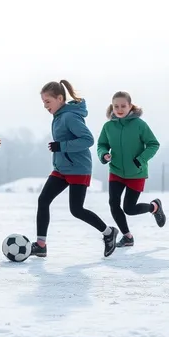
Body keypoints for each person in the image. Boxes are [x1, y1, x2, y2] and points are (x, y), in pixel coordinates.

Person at [32, 80, 119, 258]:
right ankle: (41, 245)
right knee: (43, 200)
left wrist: (61, 146)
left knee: (76, 209)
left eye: (47, 102)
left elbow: (88, 140)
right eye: (43, 103)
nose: (45, 106)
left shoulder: (70, 117)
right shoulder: (59, 116)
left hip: (79, 168)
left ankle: (109, 232)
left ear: (60, 98)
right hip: (62, 168)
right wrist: (60, 150)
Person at [96, 91, 166, 248]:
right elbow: (102, 144)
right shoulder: (108, 126)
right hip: (116, 171)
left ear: (130, 106)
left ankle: (154, 207)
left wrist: (140, 160)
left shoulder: (140, 125)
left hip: (136, 172)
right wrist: (104, 154)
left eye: (123, 106)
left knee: (129, 208)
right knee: (113, 203)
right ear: (112, 107)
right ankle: (127, 236)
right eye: (116, 106)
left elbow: (154, 144)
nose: (119, 109)